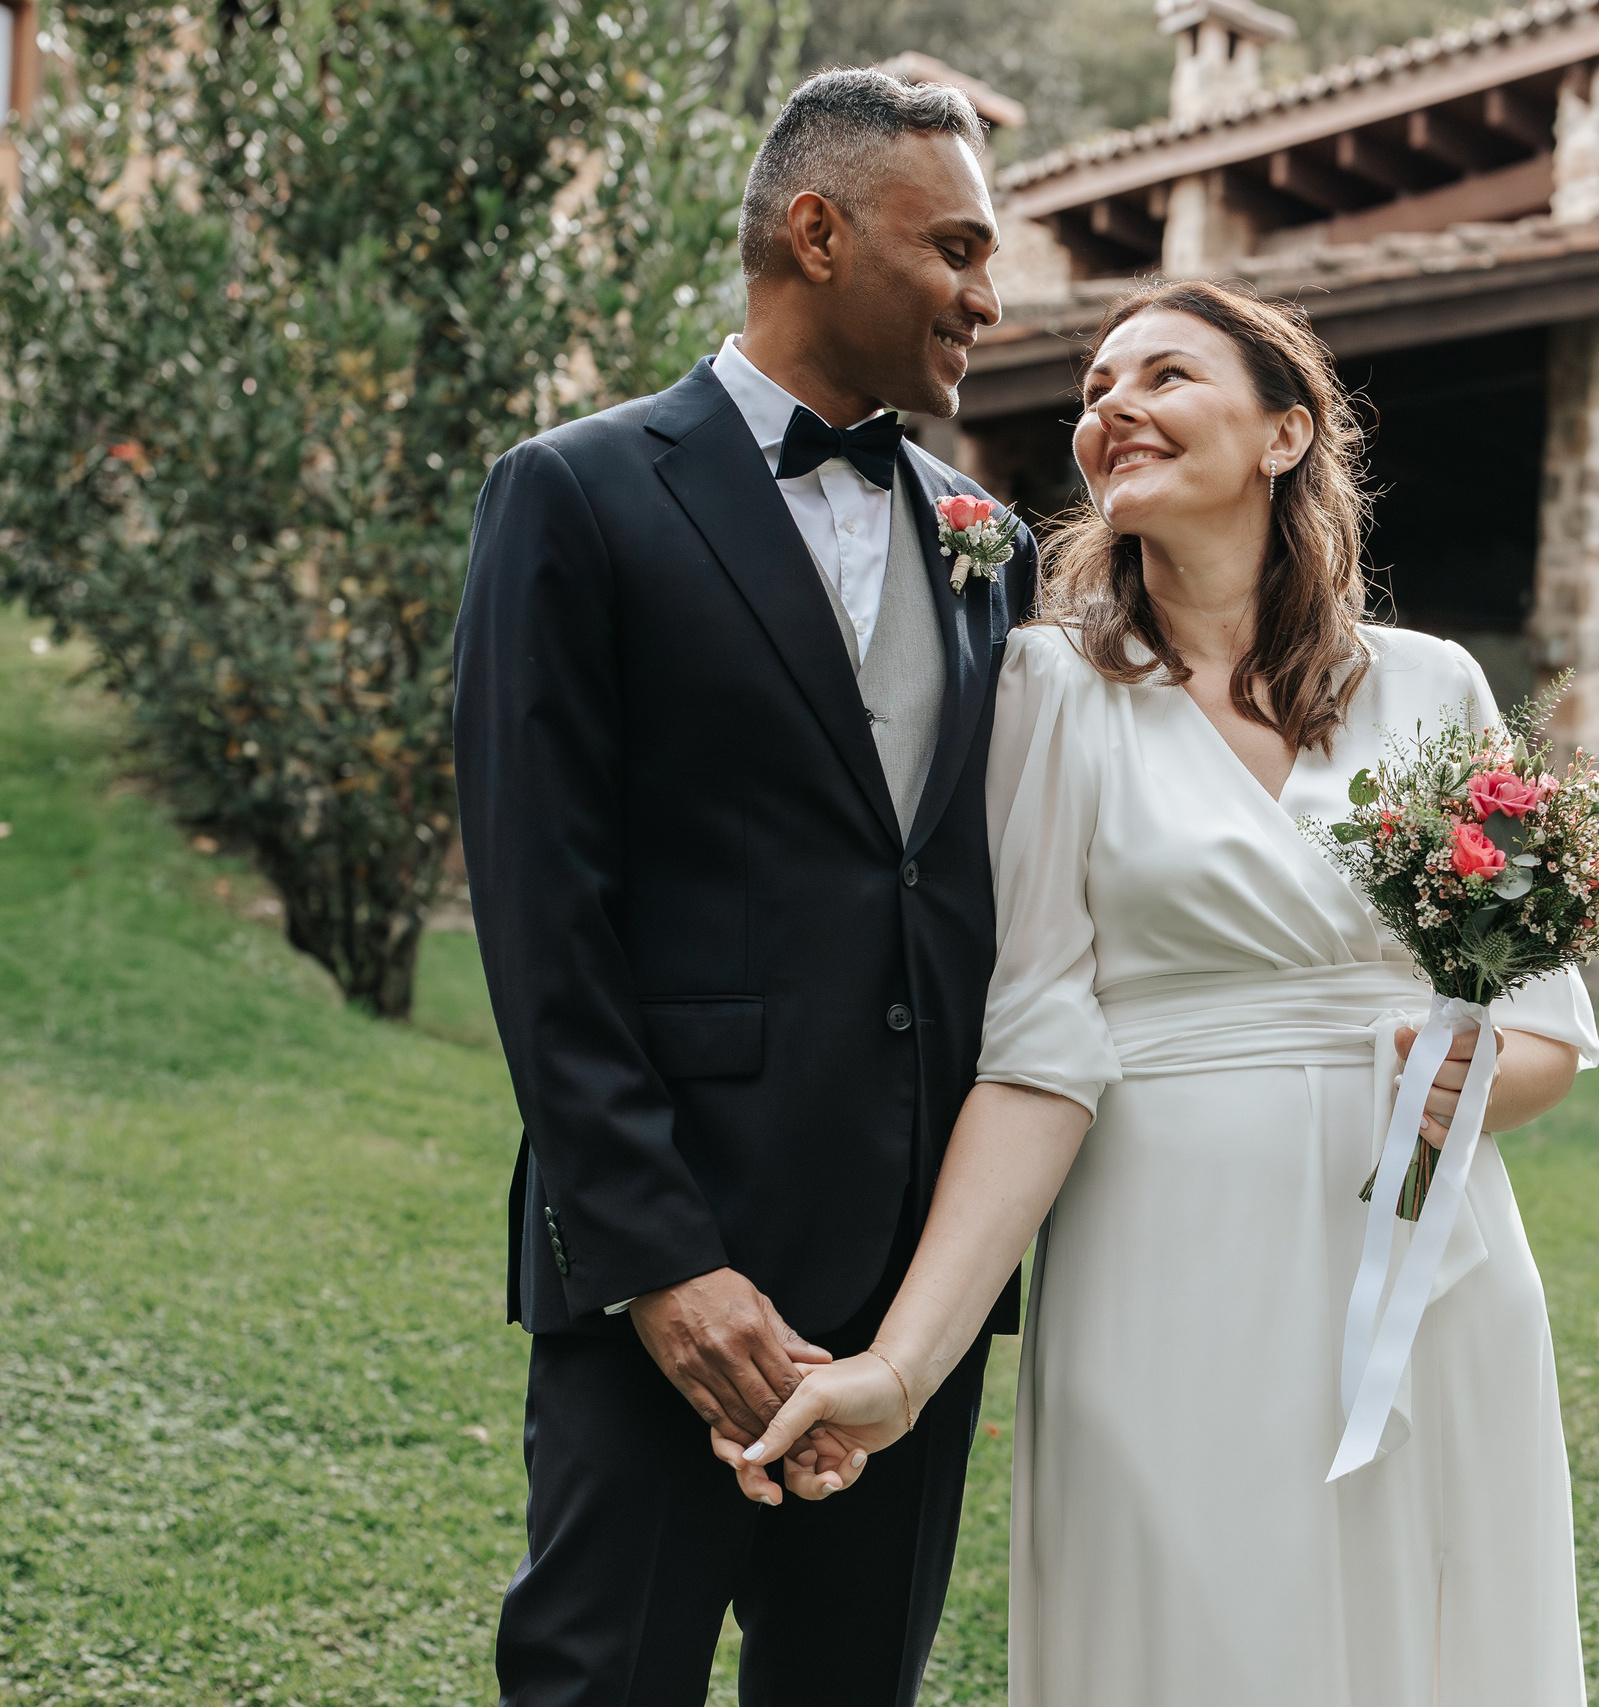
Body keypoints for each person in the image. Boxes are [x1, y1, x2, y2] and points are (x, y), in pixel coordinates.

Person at [726, 279, 1599, 1705]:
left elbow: (1545, 1027)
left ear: (1283, 435)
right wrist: (902, 1366)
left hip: (1422, 1267)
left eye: (1165, 375)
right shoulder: (1050, 689)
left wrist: (1469, 1081)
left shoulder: (1434, 688)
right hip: (1164, 1256)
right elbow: (1036, 1051)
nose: (1110, 407)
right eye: (1092, 390)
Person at [452, 69, 1033, 1707]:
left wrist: (938, 1303)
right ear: (819, 230)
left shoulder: (993, 538)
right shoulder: (573, 493)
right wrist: (660, 1264)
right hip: (671, 1265)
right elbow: (540, 917)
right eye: (961, 250)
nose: (991, 299)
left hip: (910, 1292)